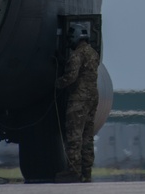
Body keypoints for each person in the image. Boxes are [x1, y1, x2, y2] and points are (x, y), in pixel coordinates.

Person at [54, 22, 100, 183]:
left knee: (74, 135)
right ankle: (86, 172)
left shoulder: (77, 55)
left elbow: (71, 77)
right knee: (87, 137)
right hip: (93, 98)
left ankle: (73, 171)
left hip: (78, 99)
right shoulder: (93, 53)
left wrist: (56, 84)